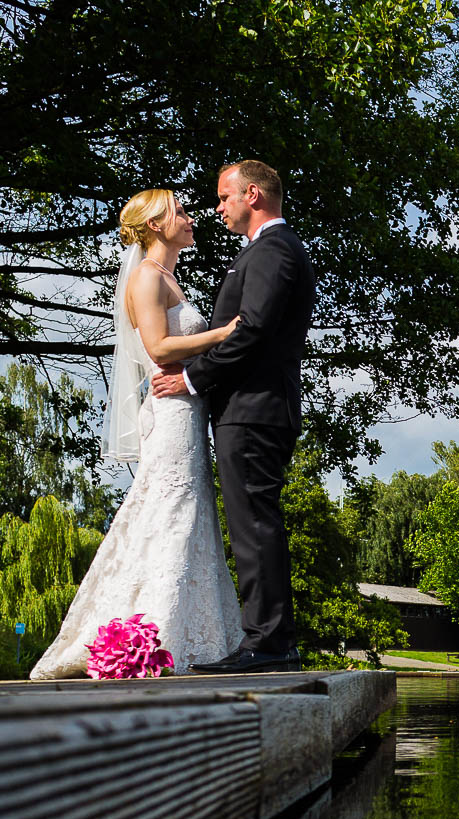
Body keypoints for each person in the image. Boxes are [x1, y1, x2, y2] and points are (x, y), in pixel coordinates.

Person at [30, 189, 242, 679]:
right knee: (170, 510)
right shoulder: (147, 276)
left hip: (185, 410)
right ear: (154, 225)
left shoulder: (169, 277)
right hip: (169, 417)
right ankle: (152, 638)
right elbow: (159, 345)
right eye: (181, 213)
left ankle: (190, 636)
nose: (192, 220)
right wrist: (222, 334)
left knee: (190, 515)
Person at [151, 160, 317, 674]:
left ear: (252, 194)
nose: (217, 207)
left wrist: (192, 379)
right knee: (254, 524)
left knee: (255, 526)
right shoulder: (268, 251)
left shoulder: (273, 251)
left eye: (224, 197)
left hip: (254, 410)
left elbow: (253, 330)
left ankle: (267, 644)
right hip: (253, 409)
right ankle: (270, 639)